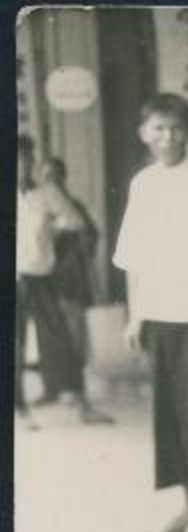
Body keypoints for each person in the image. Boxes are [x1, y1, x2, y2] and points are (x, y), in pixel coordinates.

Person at [113, 92, 188, 532]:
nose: (167, 137)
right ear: (144, 133)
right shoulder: (143, 183)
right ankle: (187, 506)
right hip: (157, 312)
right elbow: (132, 258)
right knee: (171, 413)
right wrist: (134, 316)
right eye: (158, 128)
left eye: (176, 128)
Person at [15, 136, 113, 426]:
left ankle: (82, 405)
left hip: (41, 276)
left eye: (26, 159)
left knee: (61, 339)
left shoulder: (46, 194)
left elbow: (76, 221)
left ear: (32, 162)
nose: (21, 165)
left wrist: (51, 230)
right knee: (14, 345)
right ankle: (18, 409)